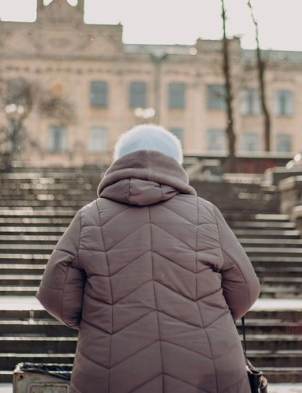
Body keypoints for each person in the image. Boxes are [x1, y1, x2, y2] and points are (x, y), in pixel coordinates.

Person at [37, 124, 260, 393]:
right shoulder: (206, 214)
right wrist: (207, 317)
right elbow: (246, 290)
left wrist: (101, 317)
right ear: (176, 163)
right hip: (207, 368)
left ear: (118, 162)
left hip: (112, 369)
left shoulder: (90, 218)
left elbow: (55, 296)